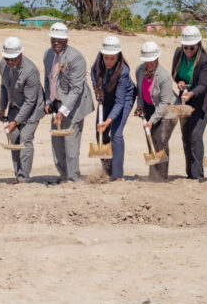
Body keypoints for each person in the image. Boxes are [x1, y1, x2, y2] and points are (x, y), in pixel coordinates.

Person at [43, 22, 94, 183]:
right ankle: (63, 175)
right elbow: (48, 79)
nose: (56, 43)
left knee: (71, 143)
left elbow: (76, 89)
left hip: (75, 104)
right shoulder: (48, 55)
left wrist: (62, 111)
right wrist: (48, 100)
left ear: (66, 40)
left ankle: (73, 178)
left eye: (60, 40)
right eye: (53, 40)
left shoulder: (76, 58)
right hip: (57, 103)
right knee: (57, 143)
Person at [0, 36, 44, 184]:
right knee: (13, 138)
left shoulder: (30, 71)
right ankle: (18, 174)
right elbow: (4, 87)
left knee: (25, 138)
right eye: (7, 59)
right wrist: (2, 108)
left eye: (13, 59)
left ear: (20, 55)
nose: (9, 62)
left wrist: (15, 122)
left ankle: (24, 177)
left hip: (33, 108)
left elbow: (30, 101)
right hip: (14, 107)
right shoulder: (2, 65)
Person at [90, 36, 135, 182]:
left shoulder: (123, 71)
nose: (108, 62)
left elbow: (120, 103)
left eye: (112, 58)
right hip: (106, 95)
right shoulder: (98, 62)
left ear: (118, 56)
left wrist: (108, 121)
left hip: (124, 98)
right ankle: (107, 171)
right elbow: (92, 72)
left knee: (116, 134)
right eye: (106, 58)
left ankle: (117, 175)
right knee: (100, 133)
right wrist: (97, 88)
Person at [171, 26, 207, 179]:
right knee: (185, 135)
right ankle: (190, 173)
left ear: (198, 44)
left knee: (195, 135)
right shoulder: (178, 53)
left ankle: (198, 176)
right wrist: (180, 81)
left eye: (192, 47)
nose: (188, 50)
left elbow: (203, 85)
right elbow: (174, 74)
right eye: (185, 47)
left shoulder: (204, 60)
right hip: (185, 99)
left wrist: (191, 93)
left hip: (202, 101)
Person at [134, 41, 177, 181]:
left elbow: (164, 102)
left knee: (161, 139)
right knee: (151, 138)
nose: (148, 63)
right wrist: (140, 105)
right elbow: (140, 91)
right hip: (150, 106)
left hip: (169, 108)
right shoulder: (139, 70)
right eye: (146, 60)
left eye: (151, 60)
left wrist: (152, 121)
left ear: (157, 58)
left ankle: (162, 177)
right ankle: (153, 176)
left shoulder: (163, 76)